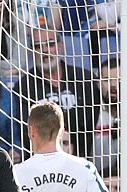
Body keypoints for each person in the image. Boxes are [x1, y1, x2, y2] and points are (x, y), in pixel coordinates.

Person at [14, 26, 98, 158]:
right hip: (42, 162)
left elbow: (89, 123)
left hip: (81, 158)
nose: (45, 50)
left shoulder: (84, 78)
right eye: (38, 46)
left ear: (60, 45)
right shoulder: (24, 86)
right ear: (31, 52)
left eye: (51, 44)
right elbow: (28, 133)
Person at [92, 59, 120, 175]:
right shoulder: (90, 115)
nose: (113, 85)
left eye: (119, 80)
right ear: (98, 83)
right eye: (107, 80)